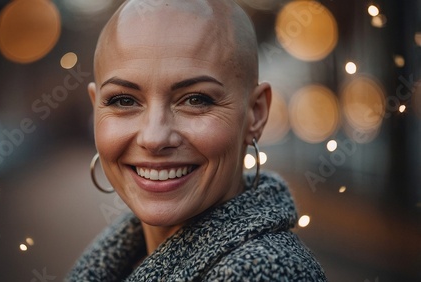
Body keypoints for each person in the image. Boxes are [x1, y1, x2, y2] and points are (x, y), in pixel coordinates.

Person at [67, 0, 327, 281]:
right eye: (124, 100)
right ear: (96, 109)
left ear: (255, 114)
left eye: (195, 99)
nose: (154, 138)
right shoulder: (125, 256)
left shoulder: (264, 273)